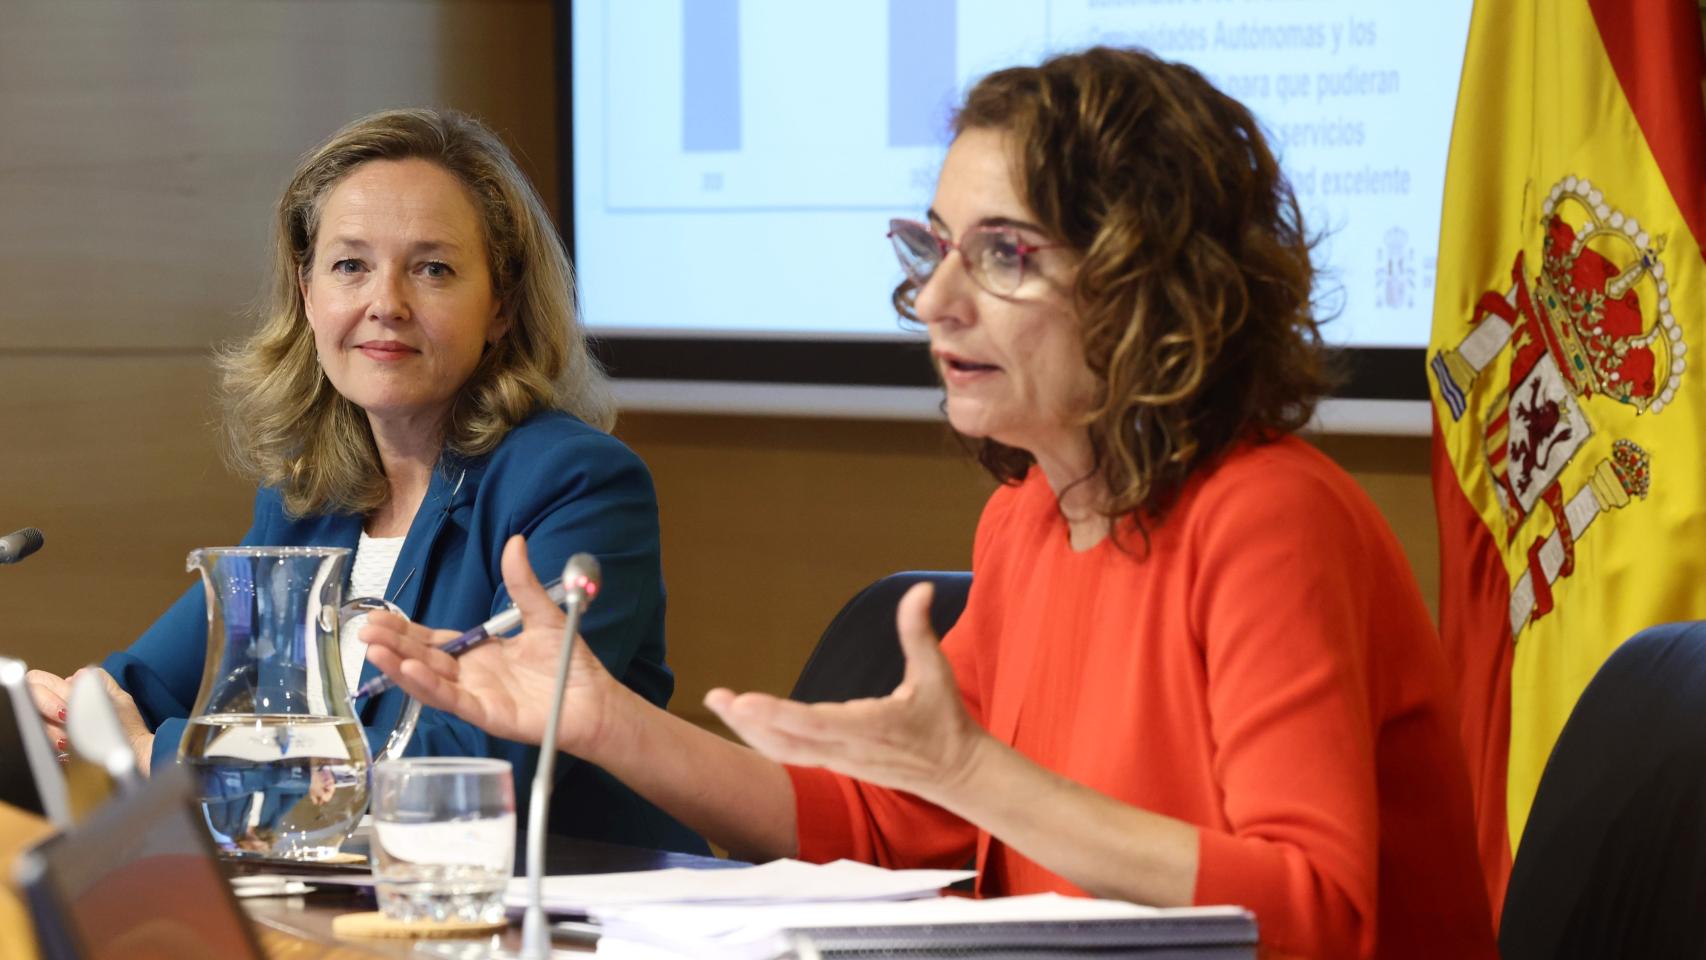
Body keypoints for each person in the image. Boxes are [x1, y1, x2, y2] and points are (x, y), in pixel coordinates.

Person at [362, 49, 1496, 957]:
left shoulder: (1269, 519)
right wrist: (607, 724)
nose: (937, 302)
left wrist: (974, 774)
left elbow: (1311, 913)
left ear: (1150, 282)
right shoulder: (1031, 519)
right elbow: (899, 840)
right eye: (933, 248)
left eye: (1000, 253)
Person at [27, 107, 704, 853]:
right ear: (309, 291)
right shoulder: (307, 499)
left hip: (556, 912)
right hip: (339, 906)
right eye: (351, 265)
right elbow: (140, 686)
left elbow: (460, 774)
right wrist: (54, 715)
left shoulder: (575, 485)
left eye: (432, 268)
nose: (387, 303)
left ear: (501, 305)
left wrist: (162, 754)